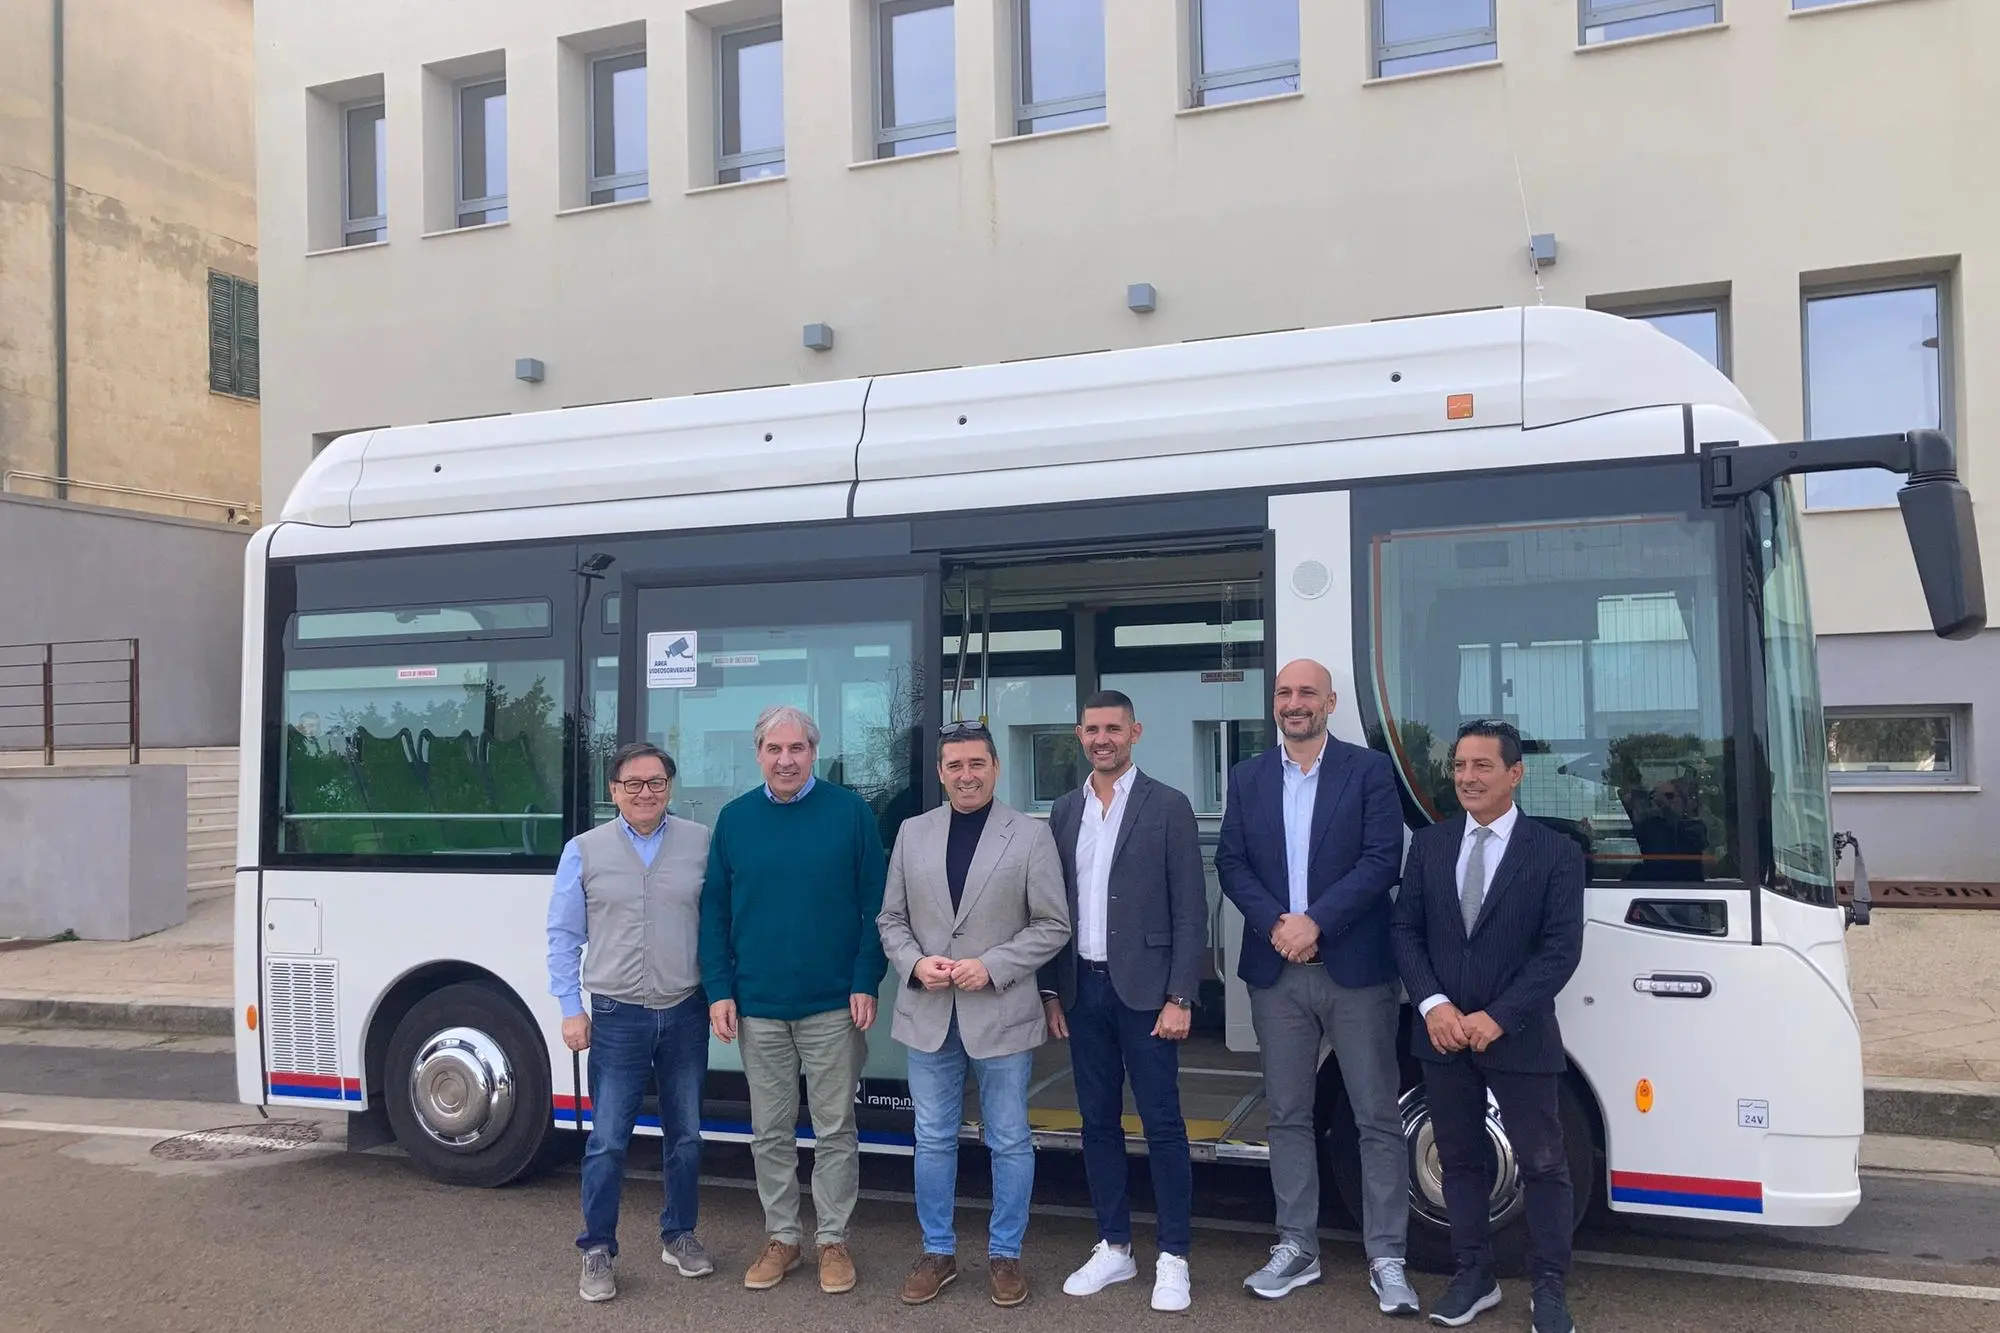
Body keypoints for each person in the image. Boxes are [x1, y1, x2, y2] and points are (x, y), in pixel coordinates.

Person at [1215, 659, 1418, 1315]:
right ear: (1273, 703)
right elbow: (1232, 861)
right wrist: (1280, 923)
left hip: (1355, 969)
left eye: (1306, 692)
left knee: (1376, 1117)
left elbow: (1382, 859)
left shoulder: (1368, 771)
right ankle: (1296, 1245)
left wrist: (1316, 922)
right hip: (1278, 973)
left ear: (1330, 701)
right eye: (1284, 692)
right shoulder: (1247, 777)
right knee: (1287, 1114)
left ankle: (1388, 1256)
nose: (1294, 702)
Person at [1390, 720, 1585, 1333]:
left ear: (1515, 773)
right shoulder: (1430, 845)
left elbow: (1559, 951)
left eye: (1481, 767)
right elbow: (1405, 932)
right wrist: (1433, 1006)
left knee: (1545, 1163)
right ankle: (1473, 1276)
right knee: (1460, 1160)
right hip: (1442, 1035)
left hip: (1519, 1034)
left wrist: (1498, 1017)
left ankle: (1549, 1289)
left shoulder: (1554, 852)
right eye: (1459, 767)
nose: (1467, 778)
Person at [878, 721, 1071, 1309]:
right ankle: (938, 1252)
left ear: (995, 767)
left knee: (1009, 1139)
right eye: (955, 765)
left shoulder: (1030, 836)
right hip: (929, 1010)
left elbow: (1053, 925)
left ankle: (1005, 1255)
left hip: (1002, 1010)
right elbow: (891, 920)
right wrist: (914, 965)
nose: (966, 775)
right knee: (932, 1138)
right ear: (940, 772)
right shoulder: (912, 833)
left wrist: (993, 964)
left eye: (977, 764)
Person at [699, 705, 888, 1296]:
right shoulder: (734, 821)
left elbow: (876, 905)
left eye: (797, 749)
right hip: (758, 1006)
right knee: (770, 1132)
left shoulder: (851, 813)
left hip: (834, 1004)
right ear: (758, 754)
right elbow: (715, 913)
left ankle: (833, 1240)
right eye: (774, 750)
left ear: (815, 752)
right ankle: (783, 1237)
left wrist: (866, 977)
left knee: (835, 1129)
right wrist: (718, 990)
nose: (786, 760)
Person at [1036, 690, 1207, 1312]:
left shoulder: (1169, 806)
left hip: (1148, 994)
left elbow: (1191, 910)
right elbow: (1050, 909)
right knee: (1097, 1123)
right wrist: (1051, 989)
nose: (1102, 738)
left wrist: (1182, 994)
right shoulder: (1062, 810)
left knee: (1163, 1124)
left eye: (1113, 728)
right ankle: (1114, 1246)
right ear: (1079, 735)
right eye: (1091, 729)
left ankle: (1173, 1255)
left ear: (1134, 732)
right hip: (1083, 990)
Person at [546, 741, 714, 1304]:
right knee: (609, 1141)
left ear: (670, 786)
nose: (646, 793)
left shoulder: (700, 843)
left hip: (685, 1010)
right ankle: (597, 1247)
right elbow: (564, 936)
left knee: (686, 1136)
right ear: (613, 791)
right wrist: (571, 1007)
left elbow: (718, 924)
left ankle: (679, 1233)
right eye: (633, 784)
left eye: (657, 782)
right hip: (617, 1015)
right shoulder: (584, 851)